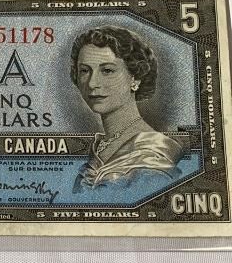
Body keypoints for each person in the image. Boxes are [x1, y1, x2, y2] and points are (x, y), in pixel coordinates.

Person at [70, 25, 183, 190]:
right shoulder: (98, 150)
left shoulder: (153, 159)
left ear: (135, 78)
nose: (92, 83)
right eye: (85, 71)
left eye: (107, 70)